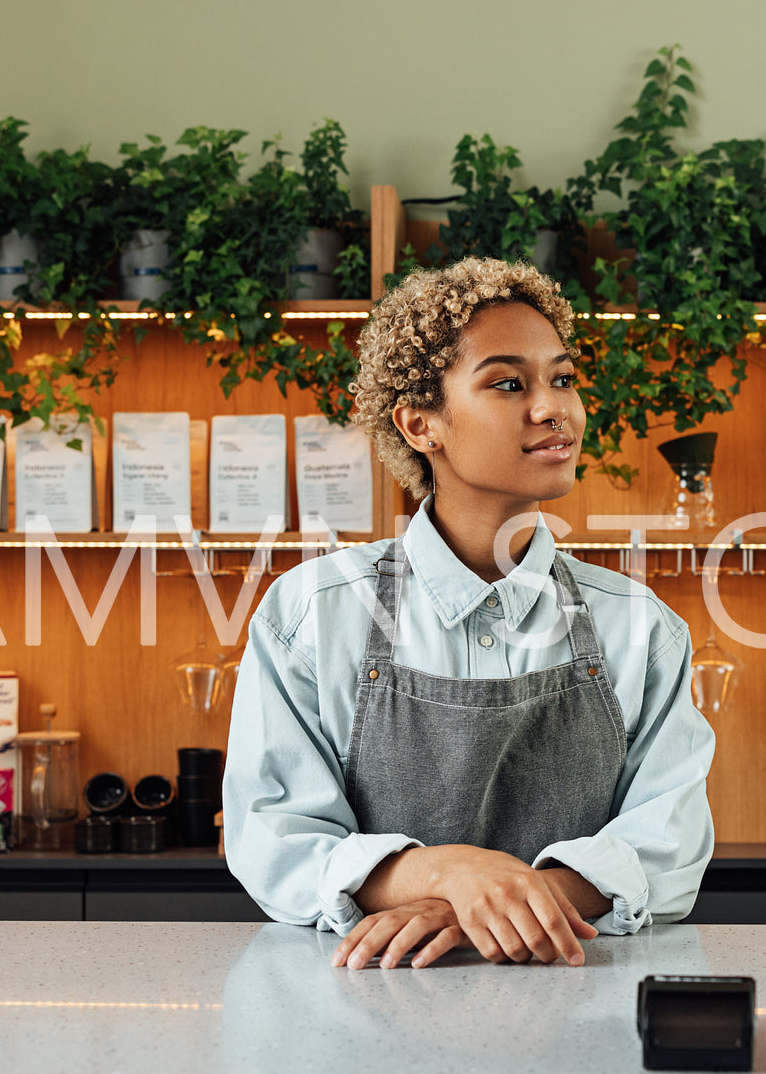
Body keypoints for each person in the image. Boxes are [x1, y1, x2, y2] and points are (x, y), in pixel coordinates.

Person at [222, 256, 715, 970]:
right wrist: (447, 874)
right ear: (421, 423)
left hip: (579, 1013)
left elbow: (668, 845)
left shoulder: (640, 627)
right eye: (508, 382)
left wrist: (496, 904)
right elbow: (275, 837)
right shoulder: (310, 614)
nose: (553, 408)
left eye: (564, 378)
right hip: (362, 1014)